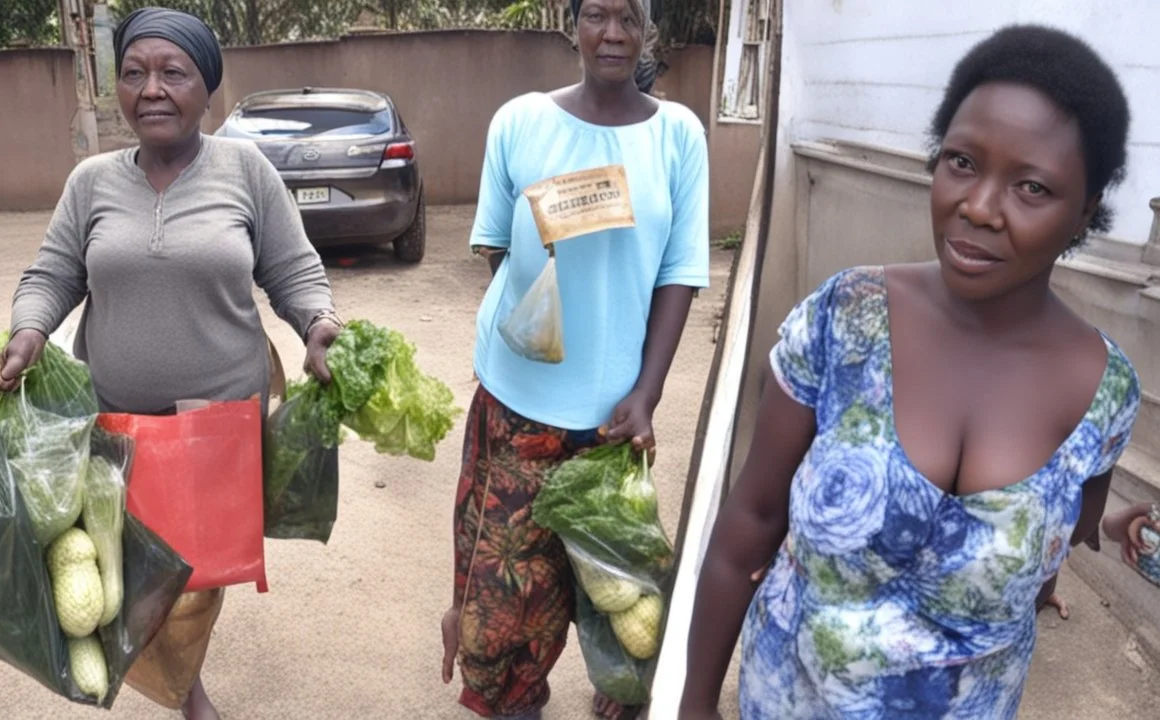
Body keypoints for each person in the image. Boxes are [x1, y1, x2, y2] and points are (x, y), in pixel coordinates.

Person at [679, 25, 1141, 719]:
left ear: (1086, 211)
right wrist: (692, 704)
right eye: (961, 161)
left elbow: (1069, 523)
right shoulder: (846, 318)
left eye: (1032, 186)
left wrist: (1113, 531)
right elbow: (753, 515)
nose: (978, 207)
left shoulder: (1104, 392)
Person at [0, 7, 342, 719]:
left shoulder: (246, 171)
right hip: (115, 424)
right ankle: (186, 689)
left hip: (217, 426)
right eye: (135, 73)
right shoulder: (91, 181)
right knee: (128, 574)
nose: (151, 89)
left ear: (206, 88)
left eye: (173, 73)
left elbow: (295, 271)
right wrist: (29, 332)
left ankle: (183, 685)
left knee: (198, 582)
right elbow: (52, 275)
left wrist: (319, 324)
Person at [438, 0, 710, 718]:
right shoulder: (521, 121)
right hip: (518, 400)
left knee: (614, 589)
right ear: (573, 24)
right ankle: (518, 698)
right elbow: (493, 243)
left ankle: (613, 691)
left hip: (615, 414)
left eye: (628, 17)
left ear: (647, 29)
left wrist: (647, 392)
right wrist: (544, 291)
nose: (612, 33)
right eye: (596, 14)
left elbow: (680, 271)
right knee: (506, 588)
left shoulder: (678, 135)